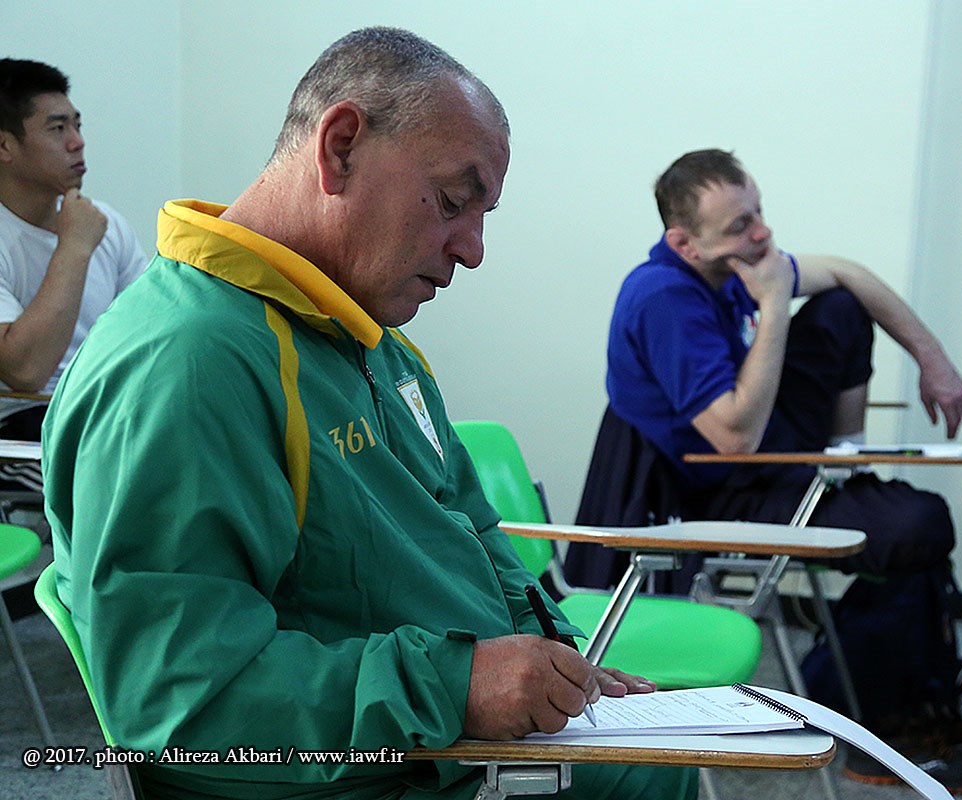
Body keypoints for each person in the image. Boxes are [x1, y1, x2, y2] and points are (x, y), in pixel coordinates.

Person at [42, 28, 695, 800]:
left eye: (483, 214)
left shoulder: (371, 343)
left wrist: (550, 656)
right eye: (452, 202)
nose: (473, 250)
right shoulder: (187, 363)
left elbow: (470, 526)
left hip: (436, 736)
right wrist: (457, 686)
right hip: (363, 772)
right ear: (340, 147)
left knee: (667, 754)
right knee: (653, 778)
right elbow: (182, 701)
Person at [568, 148, 962, 791]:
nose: (763, 234)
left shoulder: (731, 267)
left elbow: (850, 273)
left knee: (842, 305)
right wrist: (775, 301)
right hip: (708, 491)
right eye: (740, 226)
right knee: (914, 524)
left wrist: (934, 359)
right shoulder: (663, 296)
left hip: (760, 458)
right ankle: (877, 728)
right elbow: (735, 438)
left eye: (759, 213)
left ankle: (845, 472)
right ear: (685, 243)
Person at [0, 59, 146, 492]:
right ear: (4, 146)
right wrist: (74, 247)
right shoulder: (83, 231)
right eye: (57, 128)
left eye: (77, 125)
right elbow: (26, 371)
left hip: (104, 412)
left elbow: (149, 331)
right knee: (115, 489)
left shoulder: (105, 223)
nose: (77, 142)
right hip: (21, 430)